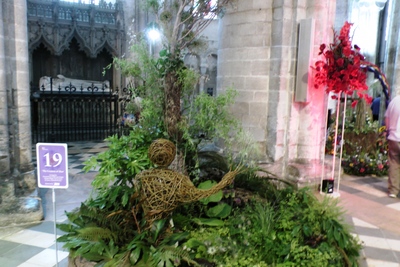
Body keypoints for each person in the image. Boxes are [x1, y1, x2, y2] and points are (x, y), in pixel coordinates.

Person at [384, 95, 400, 198]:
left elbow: (387, 118)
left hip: (393, 137)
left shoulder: (394, 100)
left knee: (394, 163)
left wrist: (388, 131)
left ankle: (393, 190)